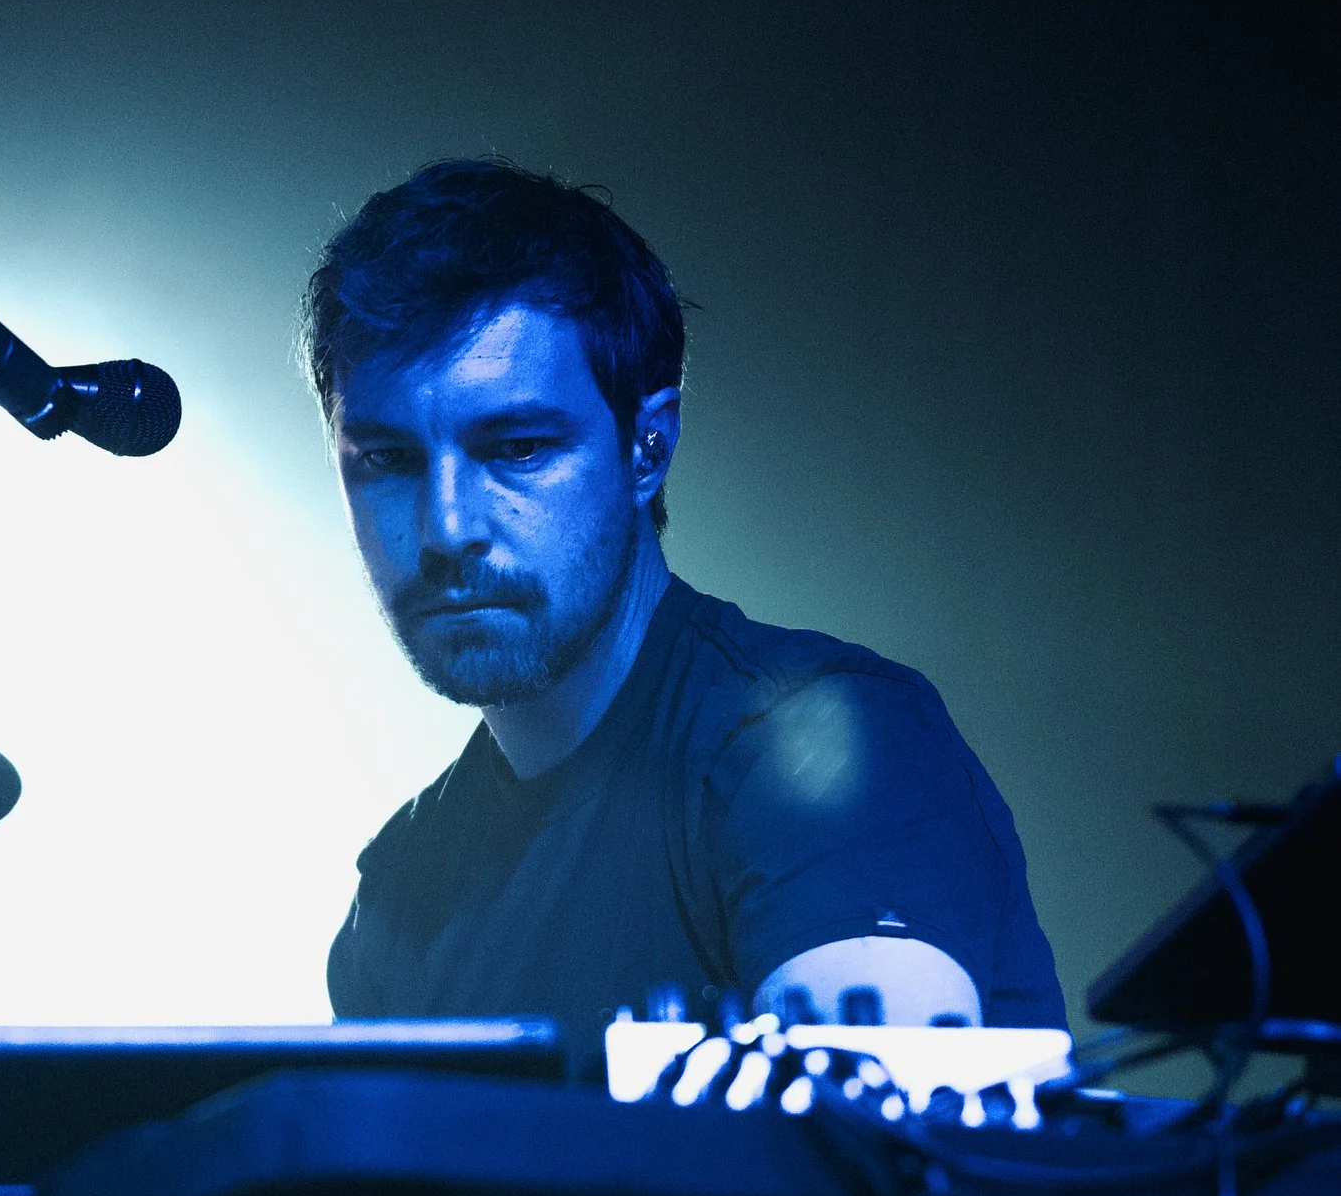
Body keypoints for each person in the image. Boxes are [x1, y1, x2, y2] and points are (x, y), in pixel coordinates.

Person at [308, 158, 1064, 1066]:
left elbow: (862, 1175)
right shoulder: (400, 893)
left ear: (647, 448)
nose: (448, 529)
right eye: (386, 461)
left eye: (516, 447)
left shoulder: (826, 749)